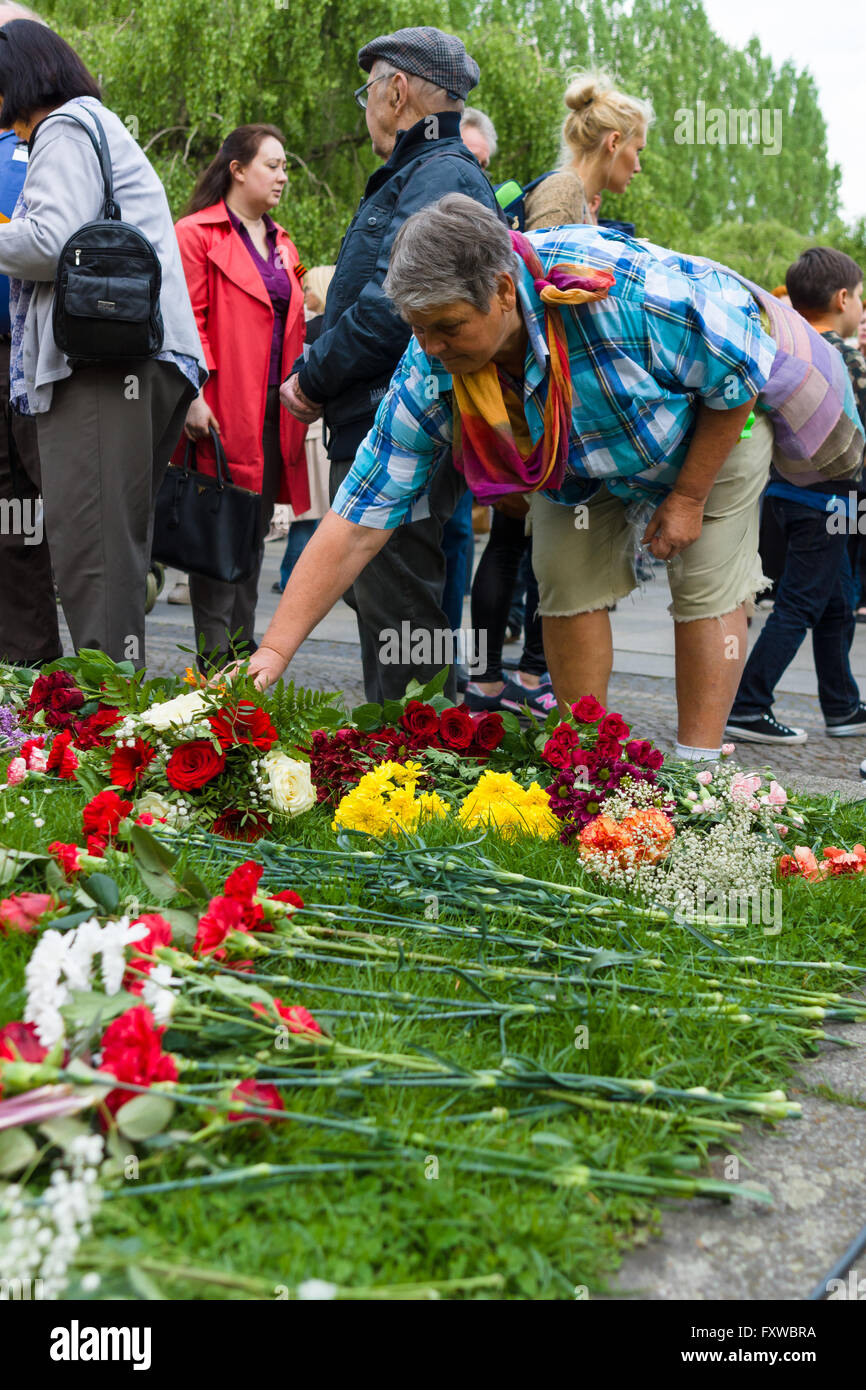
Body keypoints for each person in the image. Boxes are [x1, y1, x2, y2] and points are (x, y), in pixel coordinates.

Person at [242, 197, 863, 764]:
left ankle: (698, 773)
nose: (430, 347)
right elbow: (357, 521)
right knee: (564, 580)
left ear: (503, 292)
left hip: (705, 433)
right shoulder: (427, 368)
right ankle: (585, 763)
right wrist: (269, 659)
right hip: (575, 457)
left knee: (707, 585)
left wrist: (689, 496)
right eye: (417, 327)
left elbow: (737, 376)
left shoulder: (631, 294)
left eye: (448, 327)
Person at [279, 25, 502, 704]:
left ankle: (416, 778)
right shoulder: (427, 171)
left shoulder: (436, 172)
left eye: (365, 90)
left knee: (400, 612)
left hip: (393, 416)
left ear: (396, 89)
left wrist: (313, 377)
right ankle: (414, 763)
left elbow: (392, 304)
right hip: (380, 410)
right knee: (393, 612)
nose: (364, 106)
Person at [0, 18, 205, 667]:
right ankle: (110, 723)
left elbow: (49, 242)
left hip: (105, 366)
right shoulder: (90, 124)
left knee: (92, 558)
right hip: (137, 361)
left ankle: (104, 732)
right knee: (107, 553)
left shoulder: (62, 127)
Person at [172, 125, 308, 670]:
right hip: (219, 411)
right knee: (216, 541)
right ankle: (214, 671)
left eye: (284, 168)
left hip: (274, 416)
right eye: (272, 165)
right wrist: (192, 396)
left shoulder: (283, 244)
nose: (282, 177)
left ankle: (242, 666)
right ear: (237, 169)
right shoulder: (196, 235)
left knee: (251, 542)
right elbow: (187, 323)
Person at [727, 248, 866, 744]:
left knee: (836, 602)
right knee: (799, 606)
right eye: (861, 299)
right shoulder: (846, 357)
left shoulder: (786, 350)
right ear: (843, 298)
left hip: (787, 495)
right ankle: (747, 703)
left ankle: (843, 705)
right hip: (833, 505)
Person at [0, 0, 57, 667]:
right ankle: (30, 668)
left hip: (44, 359)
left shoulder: (55, 136)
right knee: (11, 525)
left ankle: (96, 694)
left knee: (63, 517)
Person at [272, 264, 334, 595]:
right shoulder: (331, 328)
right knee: (312, 516)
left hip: (310, 436)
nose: (305, 293)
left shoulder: (311, 329)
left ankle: (291, 578)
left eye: (310, 287)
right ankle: (294, 580)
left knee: (308, 516)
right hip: (318, 435)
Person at [524, 71, 650, 233]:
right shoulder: (564, 190)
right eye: (638, 151)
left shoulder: (580, 198)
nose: (638, 168)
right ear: (613, 142)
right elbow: (541, 258)